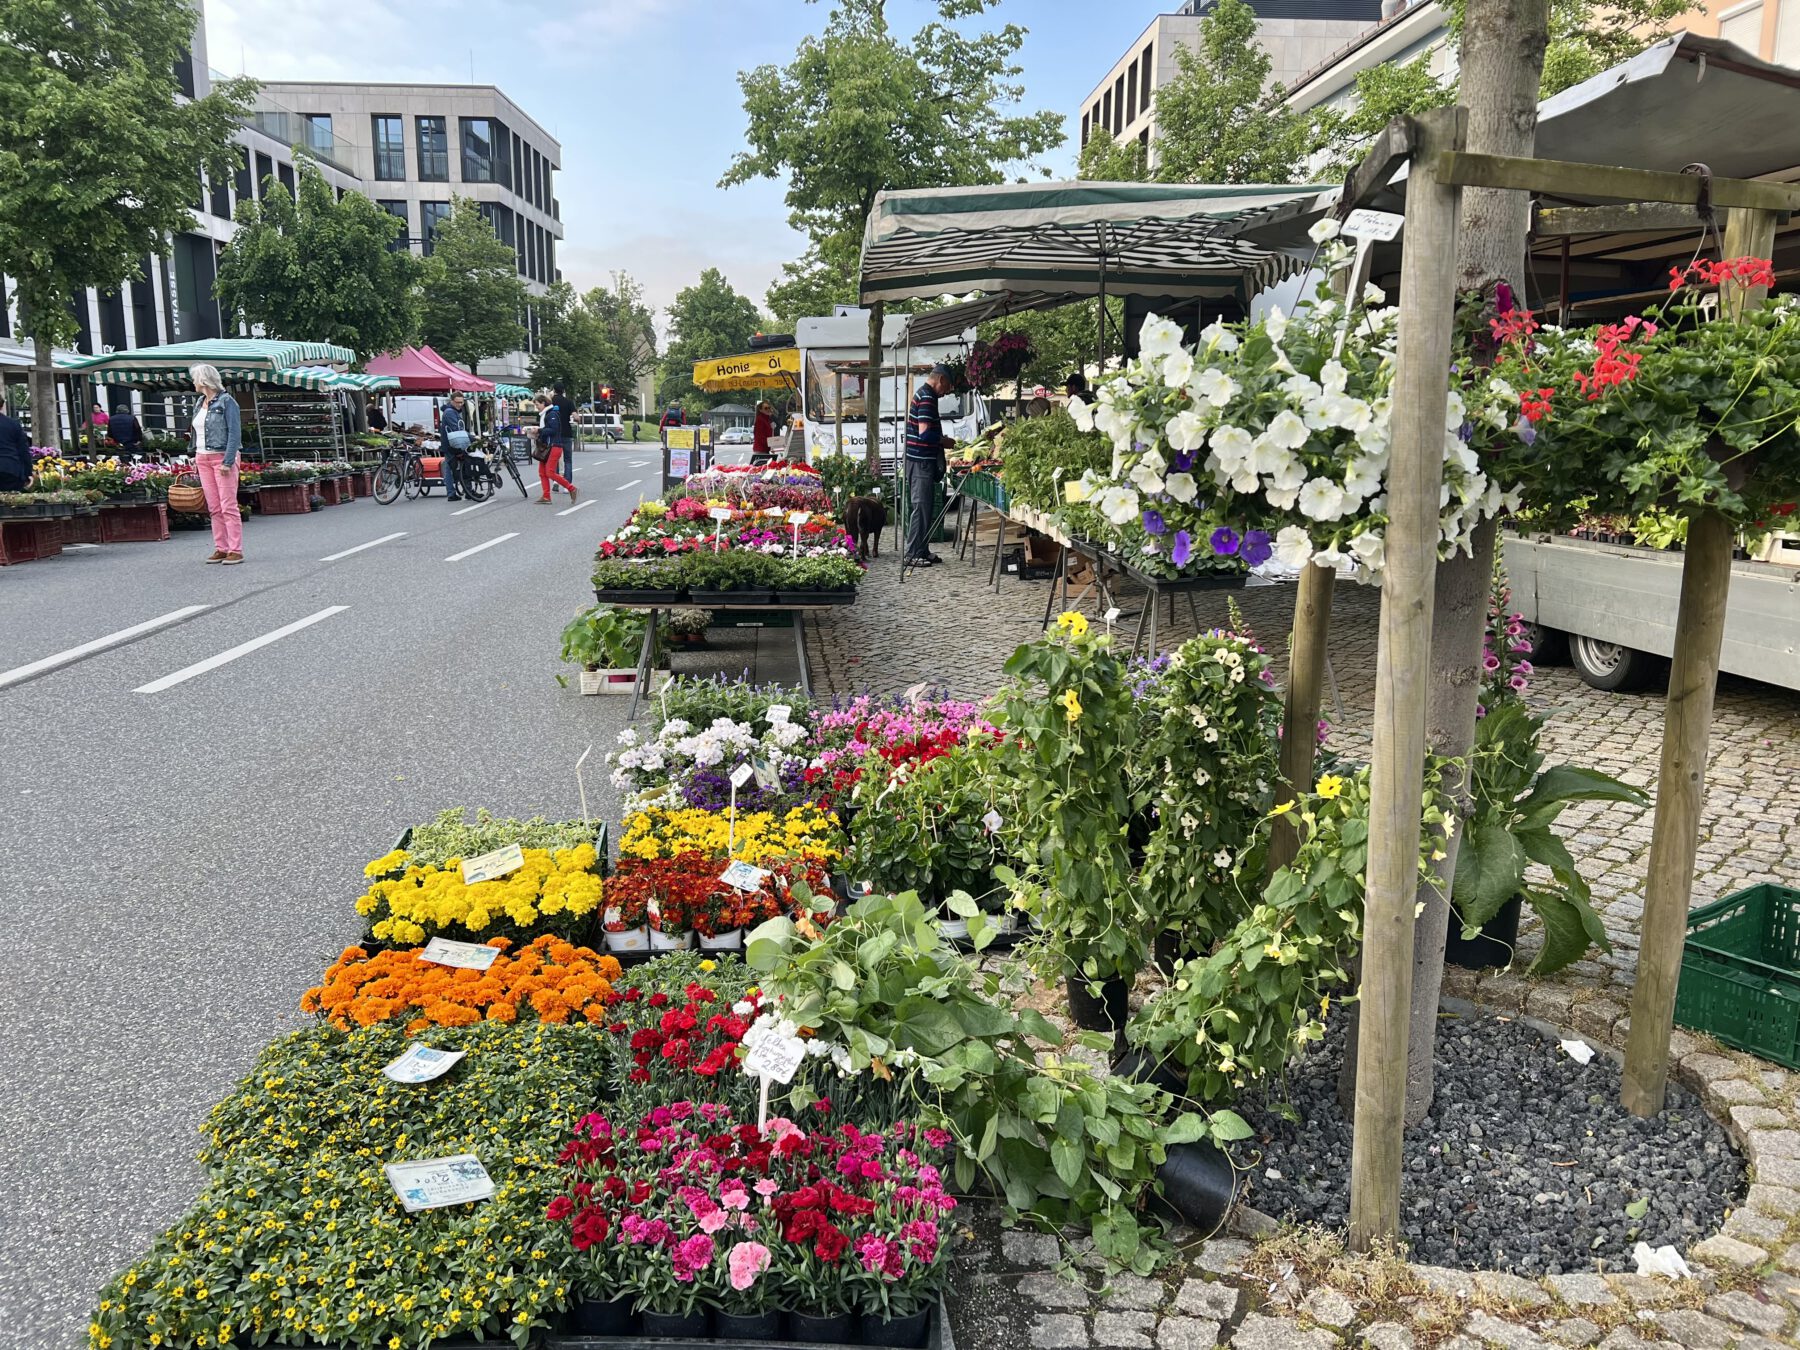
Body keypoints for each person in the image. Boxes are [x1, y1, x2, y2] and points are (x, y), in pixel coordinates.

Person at [189, 364, 245, 564]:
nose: (193, 382)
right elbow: (197, 432)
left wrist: (228, 461)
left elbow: (235, 433)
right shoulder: (199, 402)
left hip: (221, 457)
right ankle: (221, 547)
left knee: (228, 505)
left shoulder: (227, 401)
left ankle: (235, 550)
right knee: (214, 507)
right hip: (202, 457)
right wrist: (194, 454)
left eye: (195, 378)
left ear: (203, 380)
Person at [904, 363, 955, 566]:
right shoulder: (926, 397)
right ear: (941, 379)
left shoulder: (925, 394)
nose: (947, 391)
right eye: (948, 386)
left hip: (919, 460)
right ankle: (913, 554)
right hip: (920, 461)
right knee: (921, 507)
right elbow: (924, 433)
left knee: (925, 508)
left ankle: (922, 550)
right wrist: (944, 441)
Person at [532, 394, 577, 505]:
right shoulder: (547, 413)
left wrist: (539, 430)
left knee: (549, 472)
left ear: (543, 403)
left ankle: (571, 488)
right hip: (548, 447)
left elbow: (554, 430)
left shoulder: (551, 414)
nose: (536, 407)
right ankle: (546, 496)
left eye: (537, 404)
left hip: (553, 446)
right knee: (542, 472)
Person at [440, 391, 472, 502]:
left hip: (451, 443)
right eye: (457, 402)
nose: (460, 404)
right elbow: (456, 429)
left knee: (451, 467)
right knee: (452, 468)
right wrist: (472, 437)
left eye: (461, 402)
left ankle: (454, 493)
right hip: (452, 445)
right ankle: (456, 493)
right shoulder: (450, 412)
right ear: (451, 401)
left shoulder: (453, 411)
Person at [0, 407, 32, 491]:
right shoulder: (13, 424)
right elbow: (23, 450)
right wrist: (28, 473)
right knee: (10, 498)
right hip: (10, 469)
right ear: (2, 406)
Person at [751, 400, 775, 464]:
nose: (768, 409)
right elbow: (760, 437)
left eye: (769, 407)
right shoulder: (760, 420)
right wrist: (771, 445)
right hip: (761, 450)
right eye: (765, 408)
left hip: (765, 450)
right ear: (760, 410)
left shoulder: (767, 419)